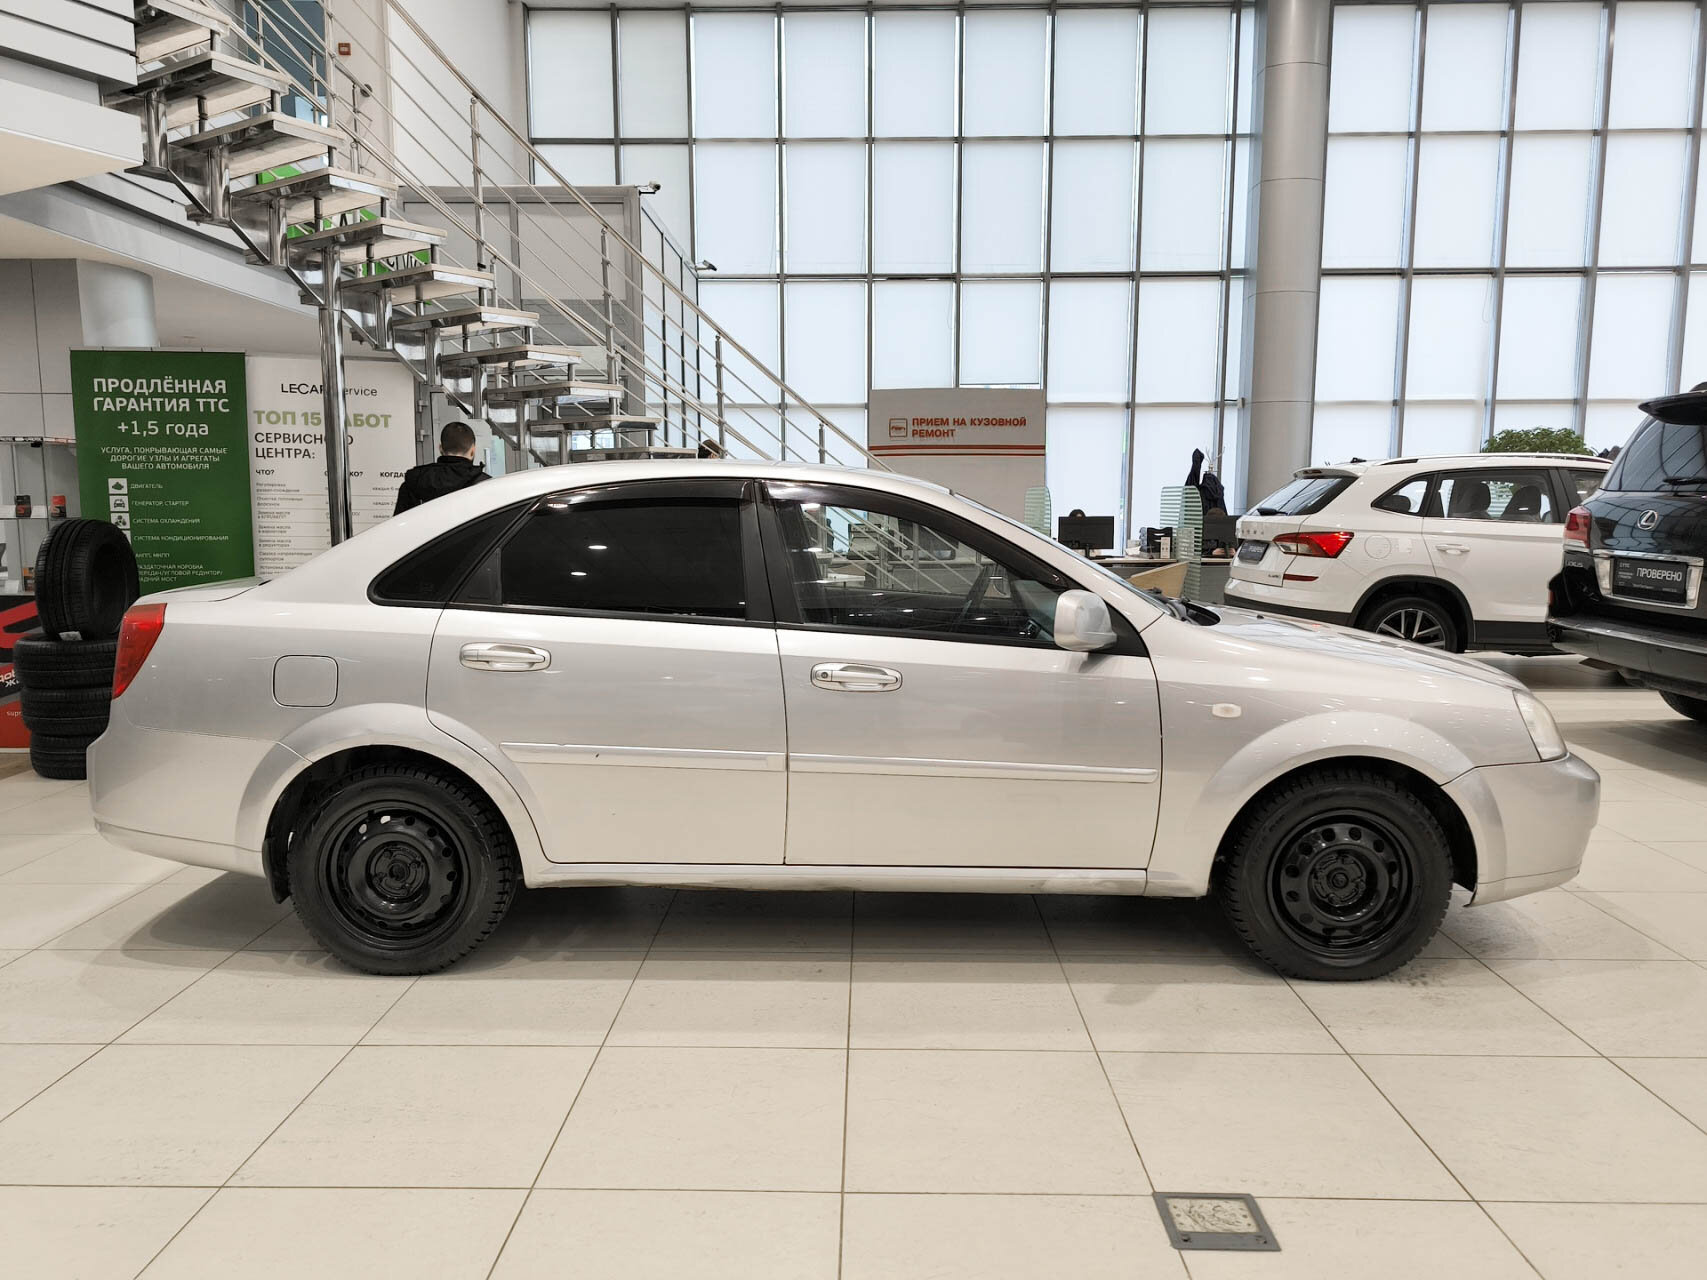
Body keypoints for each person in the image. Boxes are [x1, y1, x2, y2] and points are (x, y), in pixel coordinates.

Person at [394, 422, 490, 514]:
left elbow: (399, 523)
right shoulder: (485, 485)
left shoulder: (414, 482)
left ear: (440, 449)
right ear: (472, 451)